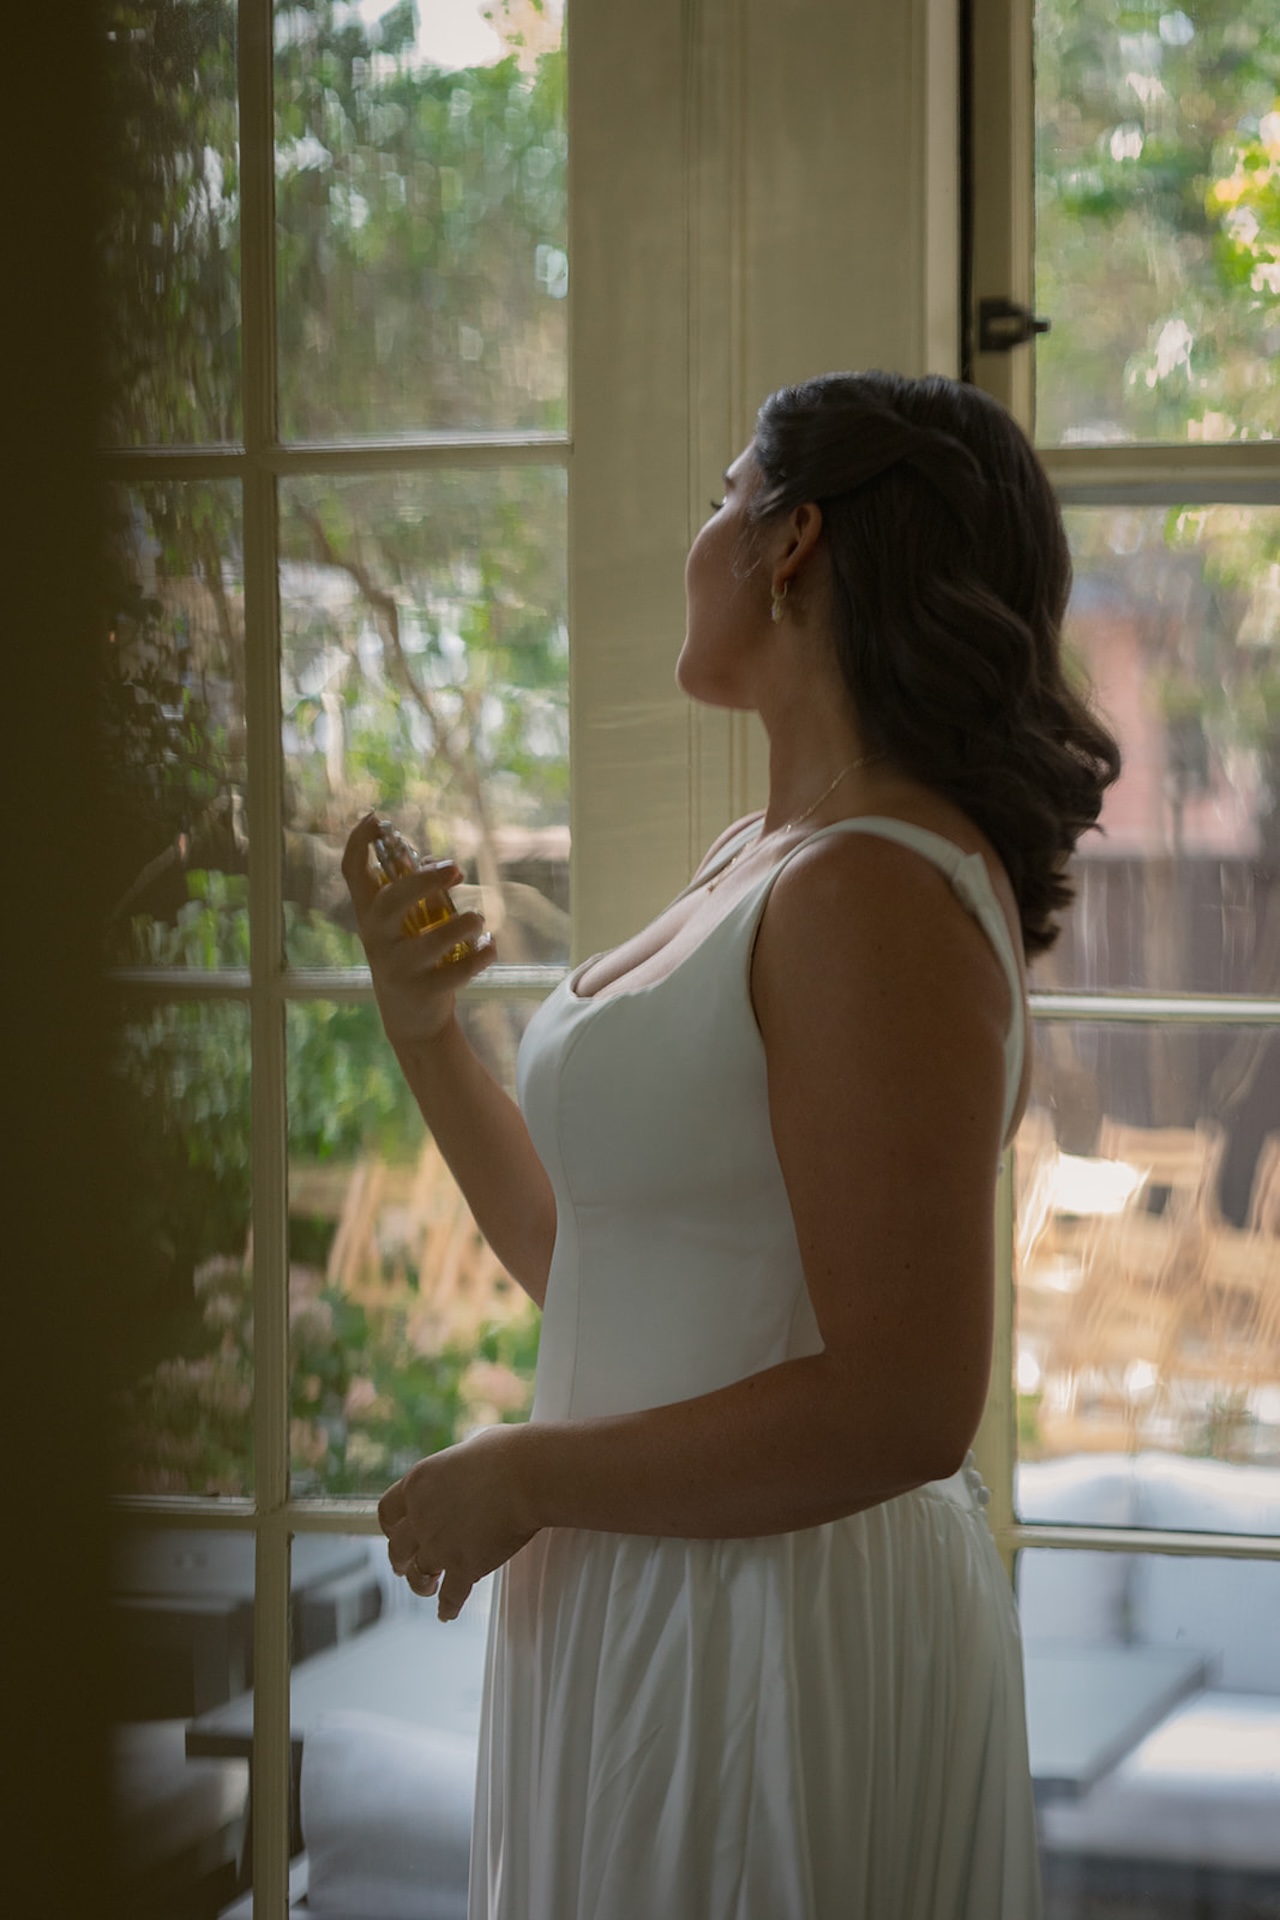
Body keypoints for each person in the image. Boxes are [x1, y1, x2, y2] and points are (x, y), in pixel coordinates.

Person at [343, 369, 1121, 1920]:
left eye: (719, 496)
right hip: (649, 1606)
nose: (694, 535)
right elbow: (591, 1262)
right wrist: (427, 1026)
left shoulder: (876, 895)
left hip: (769, 1635)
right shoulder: (763, 861)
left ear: (793, 544)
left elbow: (904, 1405)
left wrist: (529, 1474)